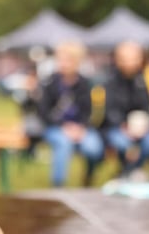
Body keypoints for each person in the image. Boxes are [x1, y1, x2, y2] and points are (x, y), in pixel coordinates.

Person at [38, 41, 104, 187]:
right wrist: (64, 127)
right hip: (56, 127)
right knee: (63, 143)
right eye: (60, 59)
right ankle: (58, 185)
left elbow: (91, 111)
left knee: (93, 147)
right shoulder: (49, 83)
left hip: (81, 128)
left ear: (77, 61)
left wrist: (81, 128)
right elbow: (43, 112)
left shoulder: (85, 83)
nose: (63, 63)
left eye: (67, 60)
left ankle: (89, 177)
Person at [102, 41, 149, 180]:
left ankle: (131, 172)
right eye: (125, 59)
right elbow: (109, 111)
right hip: (117, 128)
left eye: (133, 58)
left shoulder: (145, 78)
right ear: (117, 59)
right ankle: (128, 172)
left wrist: (143, 126)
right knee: (123, 143)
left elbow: (148, 107)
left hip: (141, 128)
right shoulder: (108, 80)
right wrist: (124, 126)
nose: (129, 63)